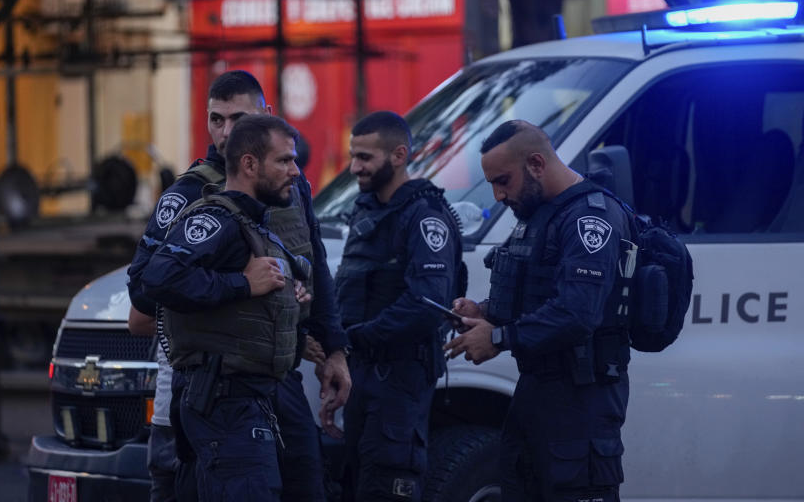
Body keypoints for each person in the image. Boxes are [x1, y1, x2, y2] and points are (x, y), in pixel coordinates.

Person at [126, 70, 350, 502]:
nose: (226, 131)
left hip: (274, 378)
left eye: (238, 119)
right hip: (209, 385)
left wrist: (333, 348)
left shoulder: (285, 185)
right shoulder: (192, 193)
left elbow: (315, 266)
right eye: (216, 119)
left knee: (307, 486)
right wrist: (242, 286)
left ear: (265, 116)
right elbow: (145, 291)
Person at [444, 120, 632, 502]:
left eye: (503, 181)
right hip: (537, 396)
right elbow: (536, 297)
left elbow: (578, 313)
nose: (497, 195)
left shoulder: (588, 218)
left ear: (535, 163)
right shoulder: (537, 215)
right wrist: (483, 312)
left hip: (582, 405)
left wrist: (498, 337)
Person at [335, 111, 463, 501]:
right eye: (353, 156)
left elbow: (426, 305)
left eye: (365, 158)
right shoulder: (367, 210)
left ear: (399, 155)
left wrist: (355, 338)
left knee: (388, 484)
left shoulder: (424, 216)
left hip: (401, 378)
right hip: (361, 374)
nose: (355, 167)